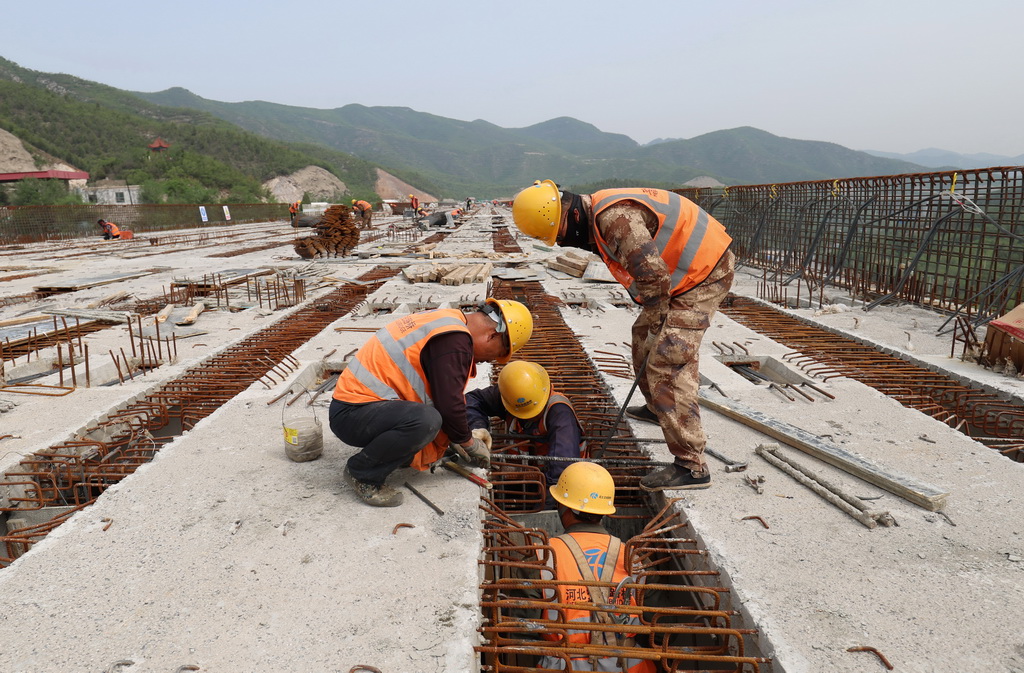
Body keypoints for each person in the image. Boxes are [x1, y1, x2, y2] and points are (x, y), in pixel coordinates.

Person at [512, 180, 735, 492]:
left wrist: (660, 321)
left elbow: (654, 275)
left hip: (705, 272)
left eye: (560, 236)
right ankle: (660, 409)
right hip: (684, 274)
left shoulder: (615, 220)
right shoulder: (596, 215)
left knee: (667, 360)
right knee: (642, 335)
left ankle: (692, 465)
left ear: (569, 217)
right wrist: (653, 321)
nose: (564, 243)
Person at [330, 299, 534, 507]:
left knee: (429, 419)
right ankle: (362, 473)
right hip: (352, 414)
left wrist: (454, 437)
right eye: (497, 354)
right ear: (492, 336)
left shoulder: (449, 322)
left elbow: (438, 394)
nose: (487, 361)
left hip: (362, 408)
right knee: (426, 420)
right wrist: (468, 443)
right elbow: (448, 405)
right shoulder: (455, 342)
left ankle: (394, 454)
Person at [539, 461, 656, 672]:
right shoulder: (635, 557)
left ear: (563, 506)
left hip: (563, 665)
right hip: (629, 666)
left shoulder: (543, 555)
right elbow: (659, 622)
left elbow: (521, 626)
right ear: (604, 511)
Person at [465, 361, 583, 493]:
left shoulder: (560, 414)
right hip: (520, 483)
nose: (528, 417)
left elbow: (561, 475)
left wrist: (546, 511)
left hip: (556, 487)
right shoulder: (512, 394)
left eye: (533, 412)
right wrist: (478, 427)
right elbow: (471, 400)